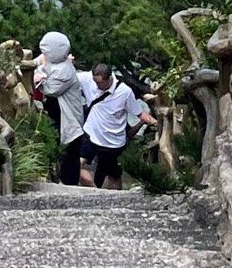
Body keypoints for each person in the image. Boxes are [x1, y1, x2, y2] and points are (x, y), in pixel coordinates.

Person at [74, 62, 155, 190]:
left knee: (112, 175)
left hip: (112, 142)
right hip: (91, 133)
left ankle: (109, 194)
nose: (97, 86)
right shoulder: (87, 78)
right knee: (74, 165)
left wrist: (155, 122)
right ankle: (94, 190)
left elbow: (139, 113)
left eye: (100, 83)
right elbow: (67, 76)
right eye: (95, 82)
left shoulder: (124, 92)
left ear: (109, 78)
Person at [32, 30, 90, 186]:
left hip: (69, 122)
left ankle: (69, 185)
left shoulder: (65, 70)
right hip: (57, 117)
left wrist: (39, 74)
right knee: (60, 154)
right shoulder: (54, 63)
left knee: (69, 157)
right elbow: (37, 63)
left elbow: (51, 89)